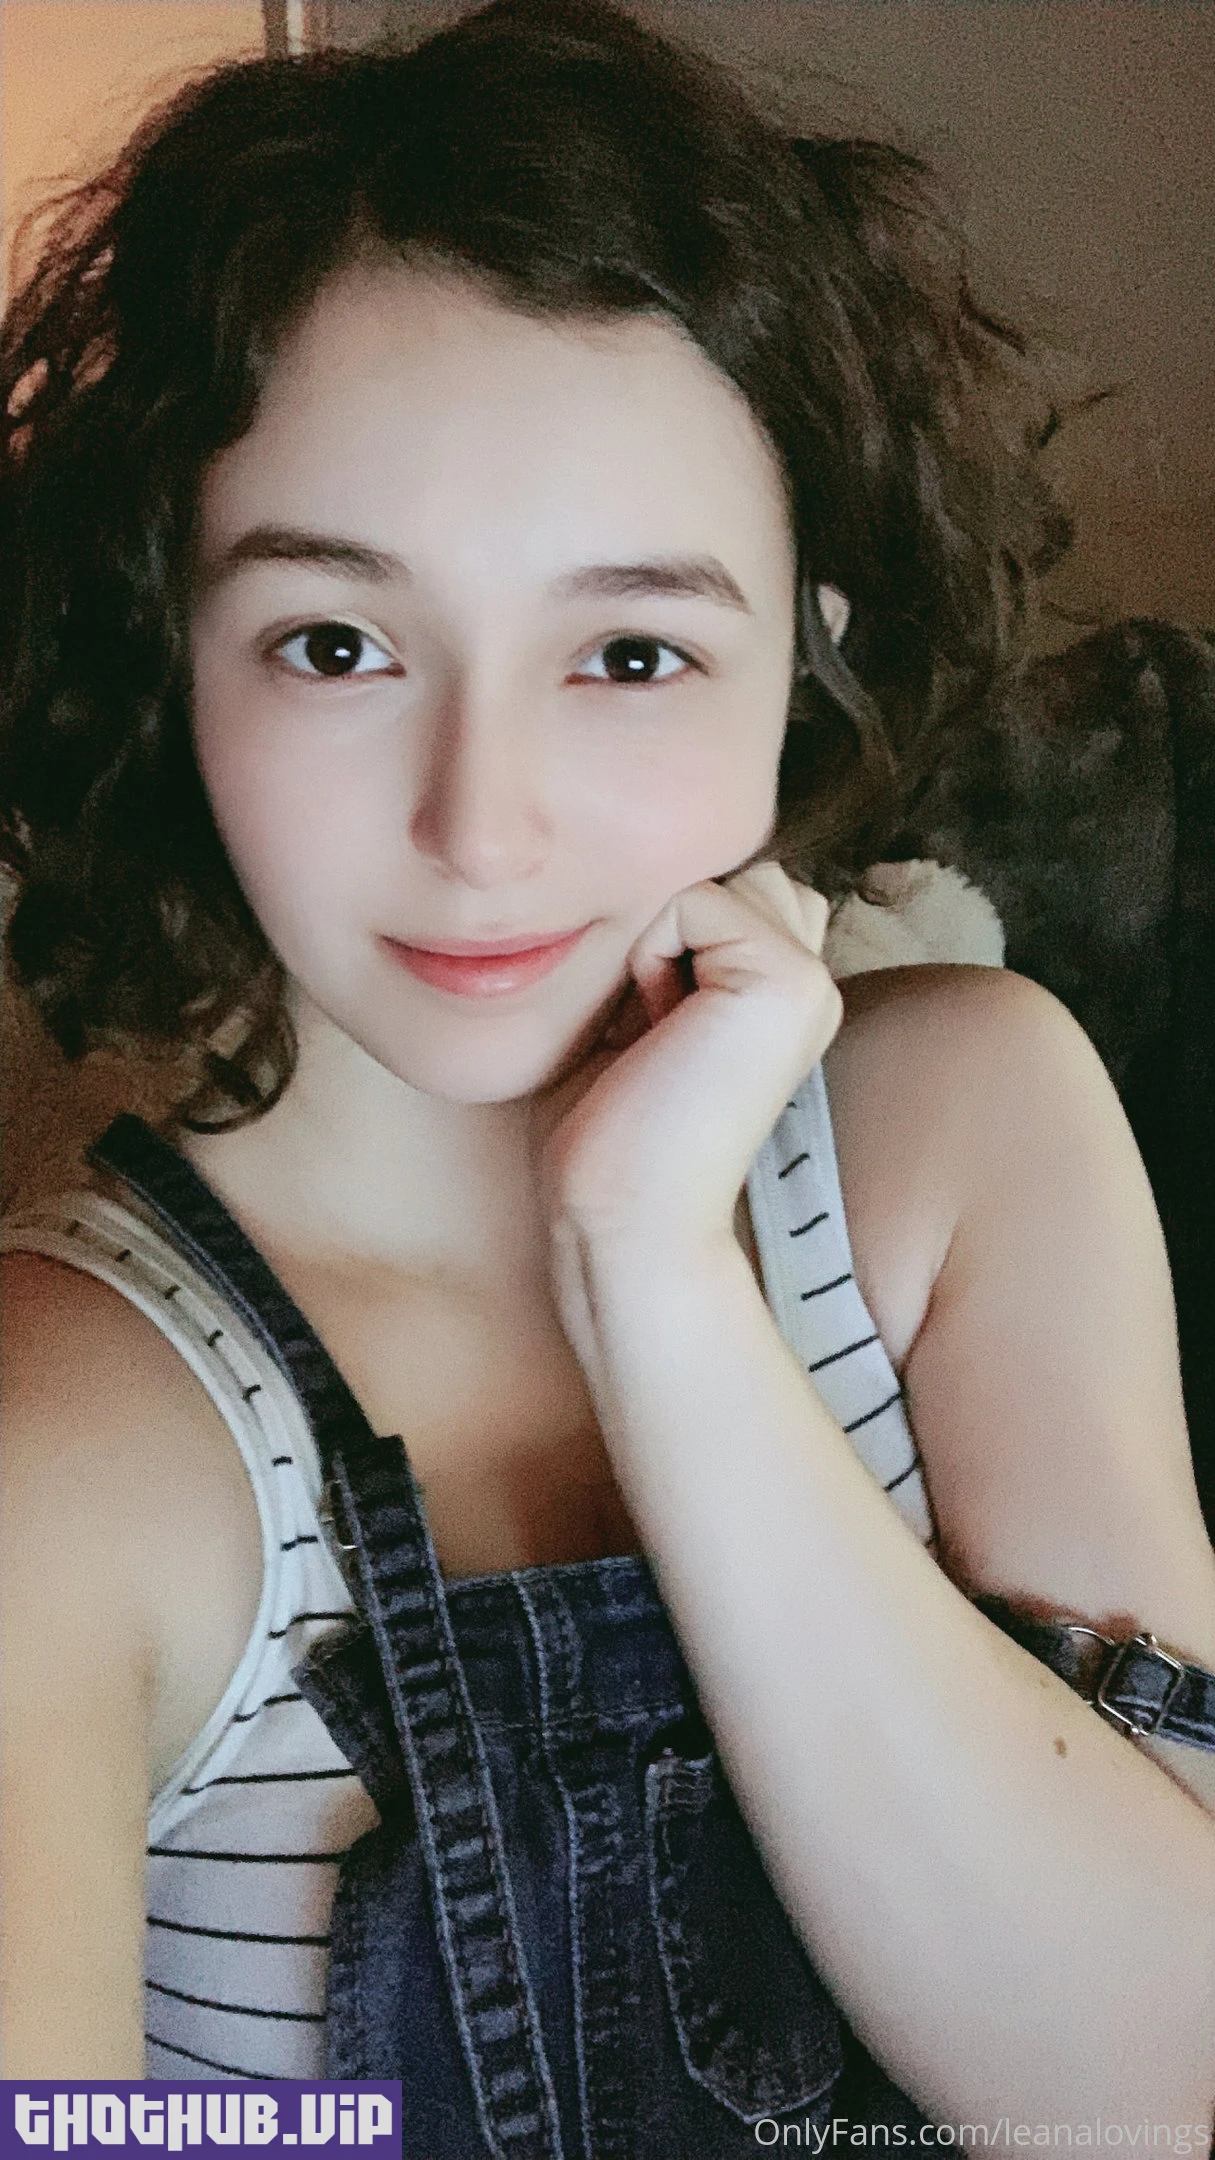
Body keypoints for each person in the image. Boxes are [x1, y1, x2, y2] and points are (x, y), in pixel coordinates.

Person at [2, 0, 1214, 2135]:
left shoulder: (965, 1135)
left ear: (804, 658)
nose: (482, 823)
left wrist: (652, 1276)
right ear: (172, 658)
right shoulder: (65, 1440)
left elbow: (1151, 2088)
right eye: (336, 643)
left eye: (631, 651)